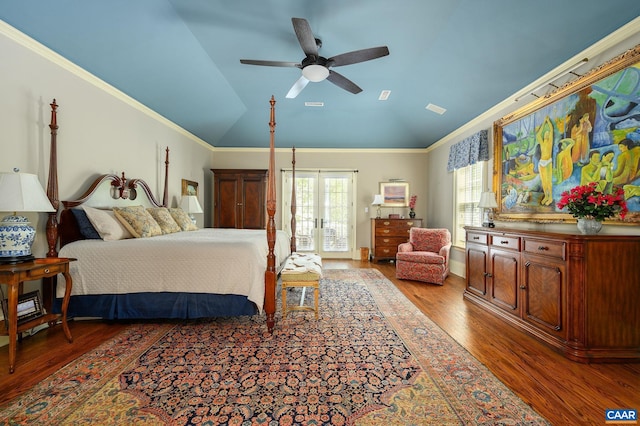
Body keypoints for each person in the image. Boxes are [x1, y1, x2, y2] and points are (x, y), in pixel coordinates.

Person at [536, 116, 554, 206]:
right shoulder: (542, 142)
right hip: (541, 162)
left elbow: (551, 130)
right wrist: (543, 123)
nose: (546, 135)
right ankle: (546, 196)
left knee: (548, 181)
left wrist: (548, 121)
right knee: (543, 181)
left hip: (548, 162)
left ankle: (550, 197)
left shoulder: (550, 141)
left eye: (547, 134)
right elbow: (538, 135)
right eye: (545, 134)